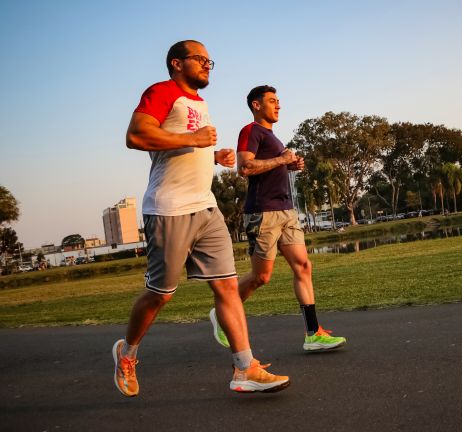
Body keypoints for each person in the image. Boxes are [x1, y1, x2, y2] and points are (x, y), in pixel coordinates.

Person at [113, 41, 289, 397]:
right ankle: (127, 352)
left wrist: (211, 155)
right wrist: (193, 138)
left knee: (227, 287)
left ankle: (245, 368)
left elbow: (181, 150)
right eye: (200, 59)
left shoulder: (199, 102)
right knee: (160, 294)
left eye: (210, 60)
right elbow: (135, 135)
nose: (208, 65)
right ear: (177, 63)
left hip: (206, 208)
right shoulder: (162, 92)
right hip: (168, 210)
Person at [208, 85, 346, 352]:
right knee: (262, 277)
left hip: (286, 210)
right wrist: (282, 159)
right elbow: (245, 167)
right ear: (256, 105)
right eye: (272, 101)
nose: (278, 105)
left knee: (304, 266)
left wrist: (290, 163)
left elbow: (273, 164)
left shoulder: (273, 137)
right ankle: (222, 313)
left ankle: (313, 334)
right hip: (263, 212)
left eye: (278, 101)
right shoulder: (250, 131)